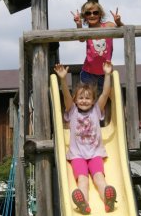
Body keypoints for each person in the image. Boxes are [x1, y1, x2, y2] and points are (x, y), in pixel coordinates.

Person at [54, 62, 116, 214]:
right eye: (81, 97)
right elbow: (66, 95)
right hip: (77, 156)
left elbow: (106, 94)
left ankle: (108, 200)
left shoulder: (96, 110)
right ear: (75, 99)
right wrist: (63, 79)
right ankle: (84, 204)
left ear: (93, 101)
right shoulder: (72, 110)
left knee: (99, 178)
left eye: (88, 98)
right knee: (82, 180)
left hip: (95, 154)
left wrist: (107, 74)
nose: (84, 100)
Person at [71, 0, 124, 91]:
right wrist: (79, 25)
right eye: (88, 13)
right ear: (85, 17)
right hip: (88, 72)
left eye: (95, 12)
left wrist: (118, 22)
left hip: (105, 72)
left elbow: (123, 31)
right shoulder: (86, 31)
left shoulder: (108, 26)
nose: (92, 15)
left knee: (112, 98)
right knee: (88, 100)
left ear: (100, 14)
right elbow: (81, 39)